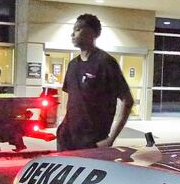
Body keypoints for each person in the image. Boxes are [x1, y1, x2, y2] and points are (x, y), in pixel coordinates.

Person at [57, 14, 134, 151]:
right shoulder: (73, 65)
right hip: (67, 139)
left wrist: (111, 139)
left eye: (78, 29)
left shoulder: (106, 63)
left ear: (92, 33)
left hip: (92, 142)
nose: (72, 34)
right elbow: (73, 102)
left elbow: (127, 100)